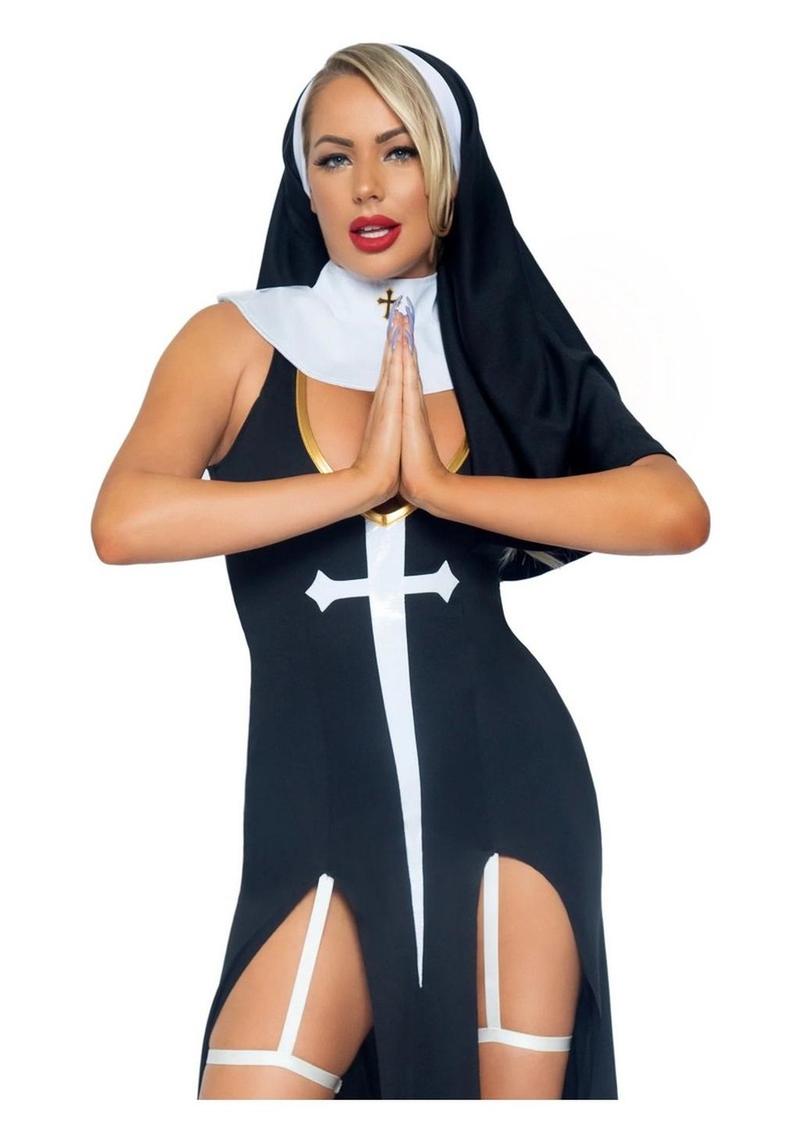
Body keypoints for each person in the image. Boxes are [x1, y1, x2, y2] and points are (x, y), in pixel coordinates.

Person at [91, 42, 709, 1101]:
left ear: (448, 170)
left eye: (399, 152)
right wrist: (360, 483)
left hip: (510, 785)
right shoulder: (237, 339)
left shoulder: (504, 347)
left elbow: (673, 510)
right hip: (318, 803)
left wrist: (439, 489)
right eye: (333, 158)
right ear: (305, 184)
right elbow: (125, 519)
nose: (367, 187)